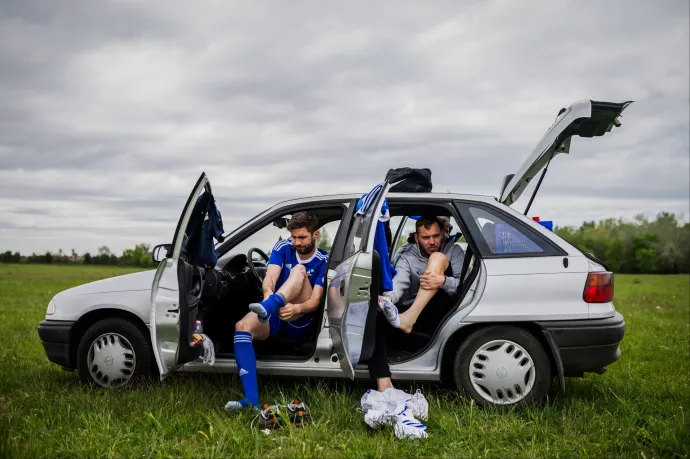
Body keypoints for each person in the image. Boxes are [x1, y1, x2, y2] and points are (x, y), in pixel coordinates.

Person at [225, 211, 328, 411]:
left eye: (302, 237)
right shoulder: (283, 247)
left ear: (315, 235)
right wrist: (267, 297)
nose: (296, 243)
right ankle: (251, 401)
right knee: (242, 327)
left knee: (298, 270)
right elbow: (270, 278)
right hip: (273, 312)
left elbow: (315, 301)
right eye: (294, 237)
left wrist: (296, 307)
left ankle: (268, 306)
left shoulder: (324, 259)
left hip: (299, 318)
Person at [368, 215, 465, 392]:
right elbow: (399, 284)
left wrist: (442, 281)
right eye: (426, 238)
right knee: (377, 319)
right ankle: (383, 381)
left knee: (437, 257)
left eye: (436, 236)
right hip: (412, 320)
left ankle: (410, 321)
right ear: (416, 237)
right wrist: (387, 300)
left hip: (442, 312)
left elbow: (465, 286)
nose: (432, 241)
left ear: (442, 234)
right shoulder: (407, 257)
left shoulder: (454, 251)